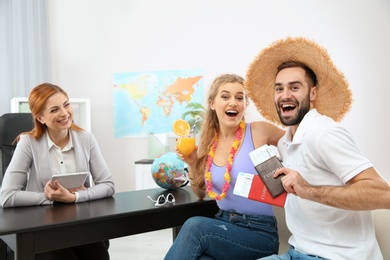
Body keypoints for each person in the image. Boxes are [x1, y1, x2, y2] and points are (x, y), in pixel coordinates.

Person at [245, 37, 390, 260]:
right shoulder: (285, 142)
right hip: (297, 252)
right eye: (279, 88)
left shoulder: (324, 134)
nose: (285, 95)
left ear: (312, 93)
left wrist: (308, 190)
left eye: (295, 87)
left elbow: (384, 195)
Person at [164, 74, 285, 259]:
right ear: (212, 103)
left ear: (246, 103)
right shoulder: (208, 145)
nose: (233, 103)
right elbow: (200, 193)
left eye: (239, 97)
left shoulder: (258, 131)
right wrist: (193, 163)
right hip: (223, 226)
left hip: (259, 233)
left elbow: (296, 144)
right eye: (225, 96)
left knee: (195, 226)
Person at [0, 83, 115, 259]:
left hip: (80, 223)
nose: (64, 113)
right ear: (40, 118)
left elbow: (108, 184)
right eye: (54, 110)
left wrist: (75, 197)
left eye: (66, 104)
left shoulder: (86, 139)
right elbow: (7, 196)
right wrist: (49, 198)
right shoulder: (28, 143)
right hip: (42, 226)